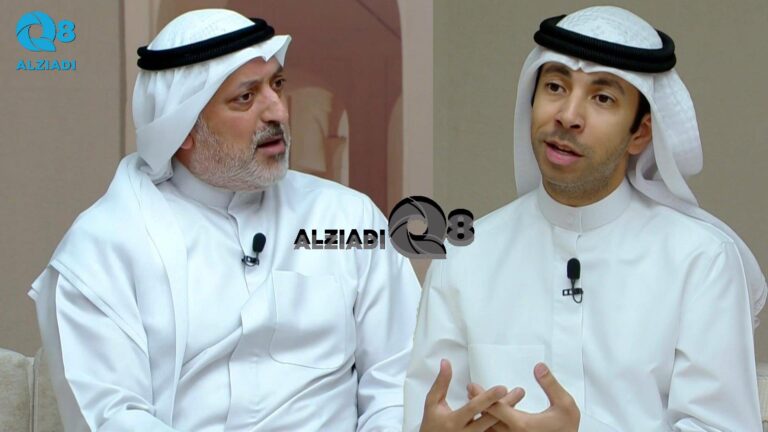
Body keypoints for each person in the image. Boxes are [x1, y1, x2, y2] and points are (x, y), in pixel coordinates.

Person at [29, 9, 420, 431]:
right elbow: (112, 417)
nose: (279, 112)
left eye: (277, 85)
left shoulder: (348, 219)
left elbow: (398, 381)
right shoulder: (103, 249)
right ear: (182, 129)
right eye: (245, 98)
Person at [404, 6, 766, 431]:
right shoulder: (466, 256)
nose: (568, 116)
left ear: (640, 133)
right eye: (555, 86)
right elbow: (431, 414)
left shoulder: (699, 261)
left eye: (602, 98)